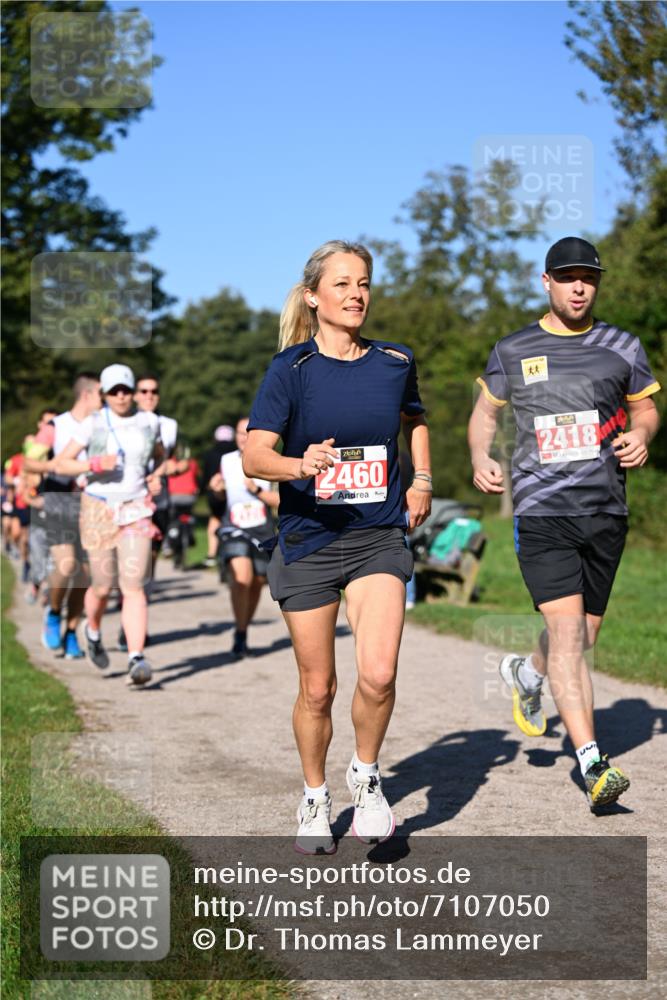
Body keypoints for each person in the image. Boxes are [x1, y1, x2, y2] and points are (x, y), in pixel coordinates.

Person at [243, 240, 431, 853]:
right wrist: (301, 464)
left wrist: (422, 479)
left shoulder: (396, 361)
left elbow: (415, 419)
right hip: (309, 538)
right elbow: (255, 454)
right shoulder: (290, 370)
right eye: (344, 284)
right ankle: (315, 795)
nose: (357, 295)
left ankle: (368, 777)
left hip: (377, 534)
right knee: (317, 687)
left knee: (377, 674)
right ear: (313, 297)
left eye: (365, 284)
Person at [468, 236, 661, 809]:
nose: (579, 287)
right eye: (568, 277)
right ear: (546, 281)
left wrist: (642, 434)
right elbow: (484, 415)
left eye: (589, 278)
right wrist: (481, 456)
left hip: (605, 509)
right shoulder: (513, 348)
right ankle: (593, 764)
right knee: (571, 637)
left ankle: (526, 675)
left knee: (583, 637)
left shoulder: (621, 346)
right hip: (542, 510)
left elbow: (645, 407)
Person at [55, 364, 162, 685]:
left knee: (133, 585)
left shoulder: (150, 422)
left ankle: (136, 657)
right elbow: (62, 462)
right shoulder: (93, 424)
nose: (120, 396)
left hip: (136, 508)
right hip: (98, 507)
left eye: (125, 390)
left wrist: (156, 476)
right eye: (114, 390)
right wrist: (93, 463)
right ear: (103, 393)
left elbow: (160, 456)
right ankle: (93, 630)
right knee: (102, 585)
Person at [26, 376, 102, 657]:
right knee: (67, 565)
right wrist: (54, 465)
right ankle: (54, 611)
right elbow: (29, 461)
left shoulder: (104, 425)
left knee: (85, 575)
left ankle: (71, 632)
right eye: (101, 394)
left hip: (93, 502)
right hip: (59, 499)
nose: (105, 400)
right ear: (87, 395)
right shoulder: (55, 426)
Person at [209, 417, 279, 658]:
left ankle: (243, 628)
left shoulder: (270, 460)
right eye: (240, 433)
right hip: (234, 527)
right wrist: (216, 490)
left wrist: (256, 490)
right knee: (243, 576)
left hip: (262, 529)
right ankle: (240, 632)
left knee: (257, 583)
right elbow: (217, 501)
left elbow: (279, 502)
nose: (243, 438)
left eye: (248, 433)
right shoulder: (226, 461)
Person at [203, 425, 236, 567]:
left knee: (214, 520)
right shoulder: (236, 453)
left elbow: (206, 476)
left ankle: (211, 554)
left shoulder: (210, 454)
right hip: (233, 492)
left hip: (214, 493)